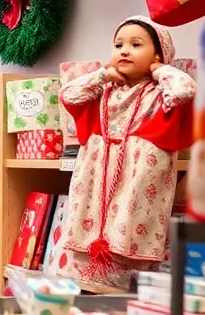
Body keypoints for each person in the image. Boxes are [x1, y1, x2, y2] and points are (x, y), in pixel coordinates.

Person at [58, 16, 195, 291]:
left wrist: (159, 69)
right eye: (119, 44)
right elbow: (68, 95)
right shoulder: (103, 92)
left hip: (135, 190)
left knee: (125, 283)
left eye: (136, 44)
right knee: (83, 286)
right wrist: (102, 75)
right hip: (96, 187)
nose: (124, 50)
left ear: (157, 53)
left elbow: (184, 91)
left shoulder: (160, 95)